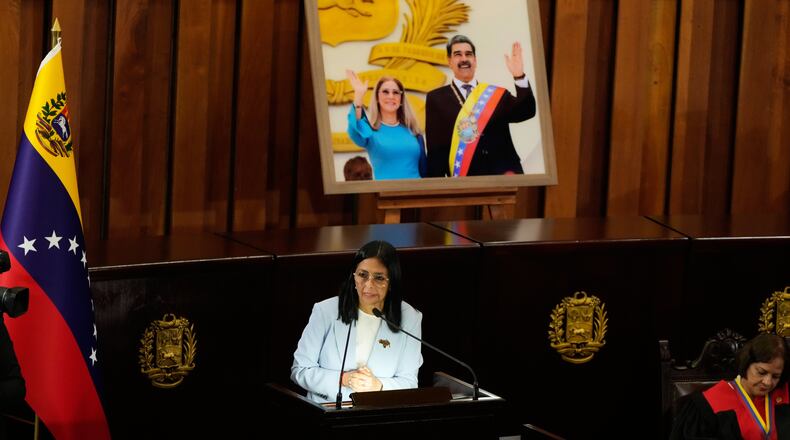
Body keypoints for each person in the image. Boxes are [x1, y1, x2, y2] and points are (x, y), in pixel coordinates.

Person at [291, 240, 423, 403]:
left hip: (378, 415)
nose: (368, 285)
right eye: (362, 275)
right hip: (328, 411)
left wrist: (378, 386)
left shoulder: (410, 318)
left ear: (391, 282)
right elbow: (300, 370)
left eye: (379, 278)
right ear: (353, 276)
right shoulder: (326, 311)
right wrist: (343, 379)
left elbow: (409, 383)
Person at [425, 35, 536, 177]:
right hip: (465, 176)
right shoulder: (436, 98)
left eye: (469, 54)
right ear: (449, 61)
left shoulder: (496, 94)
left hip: (504, 174)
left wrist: (519, 76)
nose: (464, 59)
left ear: (475, 61)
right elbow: (435, 149)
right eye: (458, 54)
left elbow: (526, 111)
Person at [671, 333, 790, 439]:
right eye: (761, 372)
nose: (768, 382)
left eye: (775, 376)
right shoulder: (709, 404)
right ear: (746, 364)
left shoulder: (785, 395)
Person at [346, 70, 426, 180]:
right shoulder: (370, 132)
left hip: (416, 194)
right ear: (377, 98)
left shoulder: (413, 131)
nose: (391, 96)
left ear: (401, 99)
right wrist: (358, 97)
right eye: (385, 92)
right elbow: (354, 130)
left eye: (396, 92)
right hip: (386, 195)